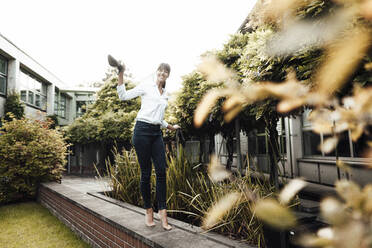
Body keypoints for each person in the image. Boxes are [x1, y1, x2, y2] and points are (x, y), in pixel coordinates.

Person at [116, 62, 180, 231]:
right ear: (156, 72)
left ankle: (163, 214)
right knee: (145, 173)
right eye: (161, 70)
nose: (163, 73)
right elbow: (123, 95)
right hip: (142, 131)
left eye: (166, 71)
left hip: (156, 133)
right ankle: (149, 211)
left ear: (168, 75)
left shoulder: (165, 94)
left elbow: (158, 118)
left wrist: (170, 127)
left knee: (161, 171)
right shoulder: (146, 86)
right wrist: (121, 73)